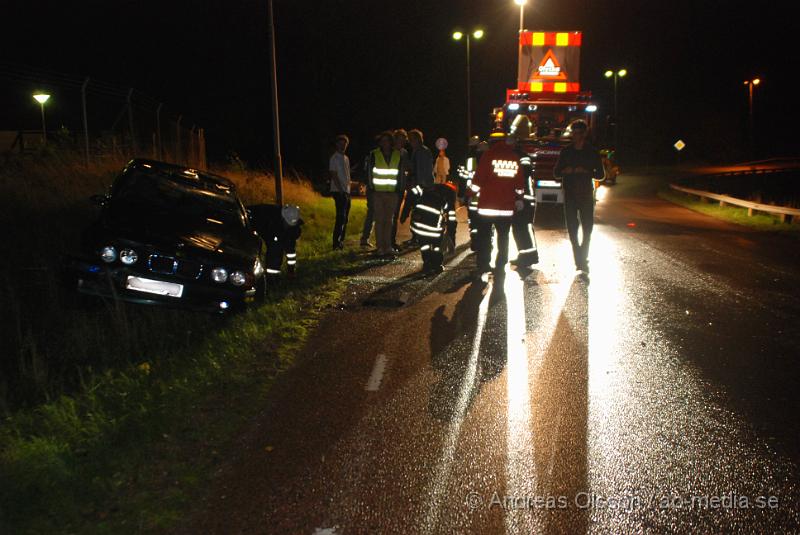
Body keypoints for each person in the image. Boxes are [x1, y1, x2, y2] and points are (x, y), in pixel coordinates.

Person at [472, 126, 529, 276]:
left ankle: (484, 264)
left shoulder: (488, 156)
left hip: (487, 207)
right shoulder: (514, 158)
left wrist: (467, 194)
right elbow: (519, 184)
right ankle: (501, 262)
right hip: (506, 207)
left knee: (484, 237)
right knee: (503, 236)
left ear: (492, 141)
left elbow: (478, 180)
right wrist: (520, 198)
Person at [553, 120, 604, 273]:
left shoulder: (592, 152)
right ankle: (579, 259)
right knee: (572, 229)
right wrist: (564, 171)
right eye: (574, 133)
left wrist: (586, 171)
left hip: (586, 196)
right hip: (570, 196)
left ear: (584, 134)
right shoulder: (566, 152)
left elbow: (601, 175)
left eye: (579, 133)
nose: (576, 136)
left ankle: (583, 255)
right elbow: (556, 173)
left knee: (587, 229)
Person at [508, 116, 539, 268]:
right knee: (518, 228)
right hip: (519, 197)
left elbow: (525, 173)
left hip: (525, 197)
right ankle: (524, 255)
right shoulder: (516, 156)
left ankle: (531, 255)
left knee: (524, 227)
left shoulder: (523, 157)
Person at [409, 179, 458, 274]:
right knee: (436, 246)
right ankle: (437, 265)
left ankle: (427, 263)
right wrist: (451, 236)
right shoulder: (450, 195)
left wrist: (408, 210)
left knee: (424, 245)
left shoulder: (429, 188)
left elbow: (414, 191)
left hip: (418, 225)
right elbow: (451, 217)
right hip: (434, 229)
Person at [367, 131, 403, 256]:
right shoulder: (374, 154)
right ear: (380, 142)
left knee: (389, 221)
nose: (385, 143)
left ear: (391, 142)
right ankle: (380, 247)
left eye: (387, 140)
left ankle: (387, 246)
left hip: (392, 192)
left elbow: (400, 174)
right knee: (379, 220)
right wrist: (371, 189)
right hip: (378, 192)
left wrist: (399, 189)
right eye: (382, 141)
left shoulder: (397, 155)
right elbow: (369, 173)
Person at [248, 204, 303, 279]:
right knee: (274, 249)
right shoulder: (272, 220)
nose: (288, 225)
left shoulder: (293, 229)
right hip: (252, 221)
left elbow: (291, 252)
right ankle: (270, 277)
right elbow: (274, 250)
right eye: (287, 224)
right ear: (283, 218)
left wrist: (291, 271)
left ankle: (272, 277)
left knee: (276, 248)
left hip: (267, 227)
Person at [401, 129, 434, 241]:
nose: (410, 142)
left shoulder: (422, 151)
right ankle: (415, 236)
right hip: (418, 185)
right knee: (416, 211)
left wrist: (422, 185)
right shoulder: (417, 151)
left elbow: (425, 170)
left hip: (421, 186)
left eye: (412, 139)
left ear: (418, 139)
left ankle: (417, 237)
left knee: (418, 211)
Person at [328, 134, 351, 250]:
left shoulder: (346, 158)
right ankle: (335, 243)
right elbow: (333, 174)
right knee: (340, 217)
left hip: (346, 191)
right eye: (340, 143)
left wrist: (348, 189)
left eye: (345, 144)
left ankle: (341, 241)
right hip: (338, 191)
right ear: (337, 144)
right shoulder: (334, 158)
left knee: (345, 218)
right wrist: (341, 190)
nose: (343, 146)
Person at [391, 129, 411, 251]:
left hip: (400, 188)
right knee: (389, 216)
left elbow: (408, 167)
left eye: (404, 140)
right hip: (390, 188)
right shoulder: (390, 151)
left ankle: (392, 241)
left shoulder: (404, 152)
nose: (402, 142)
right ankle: (387, 242)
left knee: (395, 216)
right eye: (399, 139)